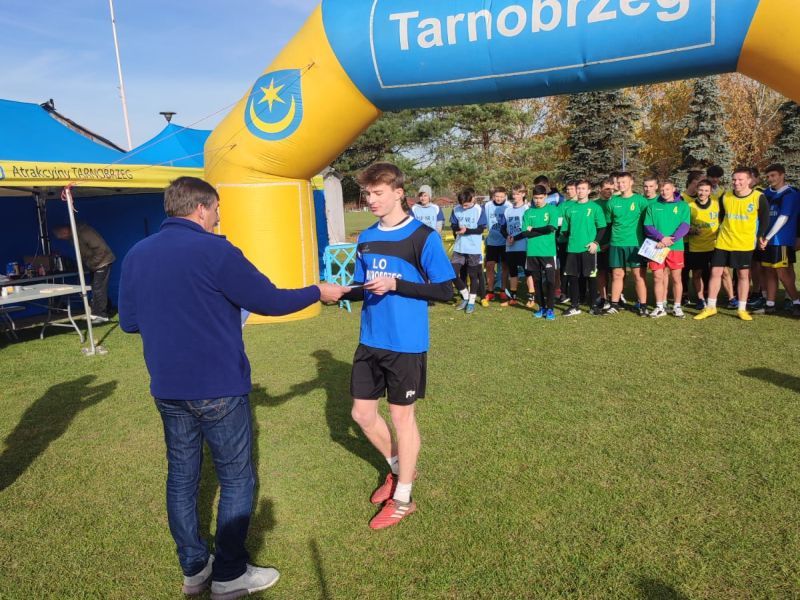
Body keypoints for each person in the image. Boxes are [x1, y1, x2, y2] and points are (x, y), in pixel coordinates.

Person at [118, 177, 346, 598]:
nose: (219, 216)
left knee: (181, 477)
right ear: (201, 208)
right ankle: (228, 573)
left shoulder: (137, 253)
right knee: (236, 478)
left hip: (168, 387)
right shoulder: (216, 249)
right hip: (217, 385)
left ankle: (194, 568)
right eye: (217, 208)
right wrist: (318, 290)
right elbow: (270, 300)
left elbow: (129, 322)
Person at [344, 162, 454, 530]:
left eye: (377, 193)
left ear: (398, 193)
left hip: (405, 343)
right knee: (362, 414)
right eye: (367, 194)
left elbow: (445, 290)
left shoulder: (422, 237)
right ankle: (398, 469)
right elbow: (362, 286)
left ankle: (403, 498)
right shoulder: (365, 237)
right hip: (370, 339)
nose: (370, 200)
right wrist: (338, 292)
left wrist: (397, 285)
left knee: (401, 418)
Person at [694, 167, 770, 321]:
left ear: (749, 180)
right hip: (724, 241)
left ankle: (741, 309)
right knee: (715, 272)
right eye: (734, 179)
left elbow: (765, 219)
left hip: (744, 243)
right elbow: (721, 216)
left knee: (743, 275)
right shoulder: (726, 196)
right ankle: (711, 307)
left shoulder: (758, 197)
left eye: (740, 179)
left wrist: (760, 236)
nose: (736, 182)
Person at [604, 172, 649, 316]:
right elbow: (608, 223)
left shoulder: (641, 201)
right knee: (617, 274)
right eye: (619, 182)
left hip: (635, 244)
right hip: (616, 243)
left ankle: (643, 306)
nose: (621, 185)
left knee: (638, 275)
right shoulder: (612, 202)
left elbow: (648, 223)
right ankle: (615, 304)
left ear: (631, 182)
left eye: (624, 182)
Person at [644, 179, 691, 318]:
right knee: (657, 277)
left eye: (667, 189)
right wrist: (661, 238)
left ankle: (677, 306)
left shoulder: (683, 206)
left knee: (676, 277)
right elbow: (648, 226)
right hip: (657, 247)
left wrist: (670, 240)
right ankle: (660, 307)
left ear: (673, 189)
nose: (664, 192)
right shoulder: (653, 206)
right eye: (662, 190)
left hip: (675, 247)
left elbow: (685, 226)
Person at [561, 180, 607, 317]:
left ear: (588, 191)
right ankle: (575, 306)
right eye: (578, 188)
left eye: (583, 188)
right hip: (572, 248)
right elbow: (565, 230)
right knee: (573, 277)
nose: (580, 191)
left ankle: (593, 306)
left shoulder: (595, 208)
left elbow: (602, 227)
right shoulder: (570, 209)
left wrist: (595, 243)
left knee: (591, 277)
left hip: (589, 249)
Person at [758, 164, 800, 315]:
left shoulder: (790, 193)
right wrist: (761, 236)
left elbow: (784, 217)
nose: (770, 179)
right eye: (768, 176)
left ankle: (796, 302)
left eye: (773, 175)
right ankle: (770, 304)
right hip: (766, 239)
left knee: (783, 273)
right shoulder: (766, 193)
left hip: (781, 240)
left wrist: (768, 237)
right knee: (769, 271)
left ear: (782, 175)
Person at [53, 222, 115, 323]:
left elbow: (101, 250)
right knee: (96, 288)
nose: (62, 238)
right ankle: (98, 312)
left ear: (65, 231)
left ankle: (102, 315)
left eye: (61, 236)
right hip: (95, 263)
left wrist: (91, 263)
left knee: (99, 288)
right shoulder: (73, 236)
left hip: (103, 261)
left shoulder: (85, 232)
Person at [517, 185, 559, 320]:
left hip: (548, 252)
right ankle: (541, 308)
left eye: (540, 198)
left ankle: (550, 309)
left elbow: (551, 228)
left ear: (545, 196)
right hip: (532, 252)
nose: (538, 201)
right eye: (535, 198)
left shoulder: (552, 209)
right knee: (537, 281)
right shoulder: (528, 212)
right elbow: (525, 233)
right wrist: (542, 230)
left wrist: (533, 229)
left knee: (551, 281)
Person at [450, 188, 487, 314]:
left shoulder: (479, 210)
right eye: (462, 205)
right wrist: (457, 229)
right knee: (451, 273)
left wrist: (467, 231)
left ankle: (471, 302)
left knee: (473, 275)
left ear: (473, 199)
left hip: (473, 248)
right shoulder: (456, 209)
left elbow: (481, 229)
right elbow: (453, 225)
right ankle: (465, 296)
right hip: (459, 247)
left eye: (466, 205)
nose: (464, 207)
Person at [685, 179, 720, 310]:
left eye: (706, 190)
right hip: (697, 247)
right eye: (700, 190)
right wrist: (691, 230)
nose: (702, 193)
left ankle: (731, 298)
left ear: (710, 192)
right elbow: (683, 226)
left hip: (715, 245)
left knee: (722, 273)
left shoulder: (716, 204)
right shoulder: (690, 206)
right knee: (697, 274)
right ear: (696, 190)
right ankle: (700, 299)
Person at [499, 183, 530, 307]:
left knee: (528, 272)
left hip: (524, 246)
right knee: (513, 272)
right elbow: (502, 228)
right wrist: (508, 237)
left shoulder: (527, 209)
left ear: (523, 194)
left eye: (517, 194)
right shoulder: (508, 210)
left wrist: (515, 238)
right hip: (510, 247)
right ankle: (513, 297)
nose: (515, 196)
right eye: (513, 194)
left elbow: (528, 230)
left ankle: (531, 297)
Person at [483, 187, 511, 303]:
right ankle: (490, 291)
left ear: (505, 196)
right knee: (489, 265)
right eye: (496, 196)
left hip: (505, 241)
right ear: (493, 196)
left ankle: (503, 290)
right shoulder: (487, 205)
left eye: (501, 196)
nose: (499, 198)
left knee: (505, 266)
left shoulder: (509, 206)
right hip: (492, 242)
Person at [593, 178, 615, 309]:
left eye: (612, 189)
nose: (610, 191)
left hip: (614, 242)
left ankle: (617, 296)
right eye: (607, 188)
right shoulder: (594, 204)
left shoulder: (616, 202)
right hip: (599, 243)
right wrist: (597, 243)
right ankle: (603, 297)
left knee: (616, 272)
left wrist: (610, 242)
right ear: (600, 189)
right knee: (601, 271)